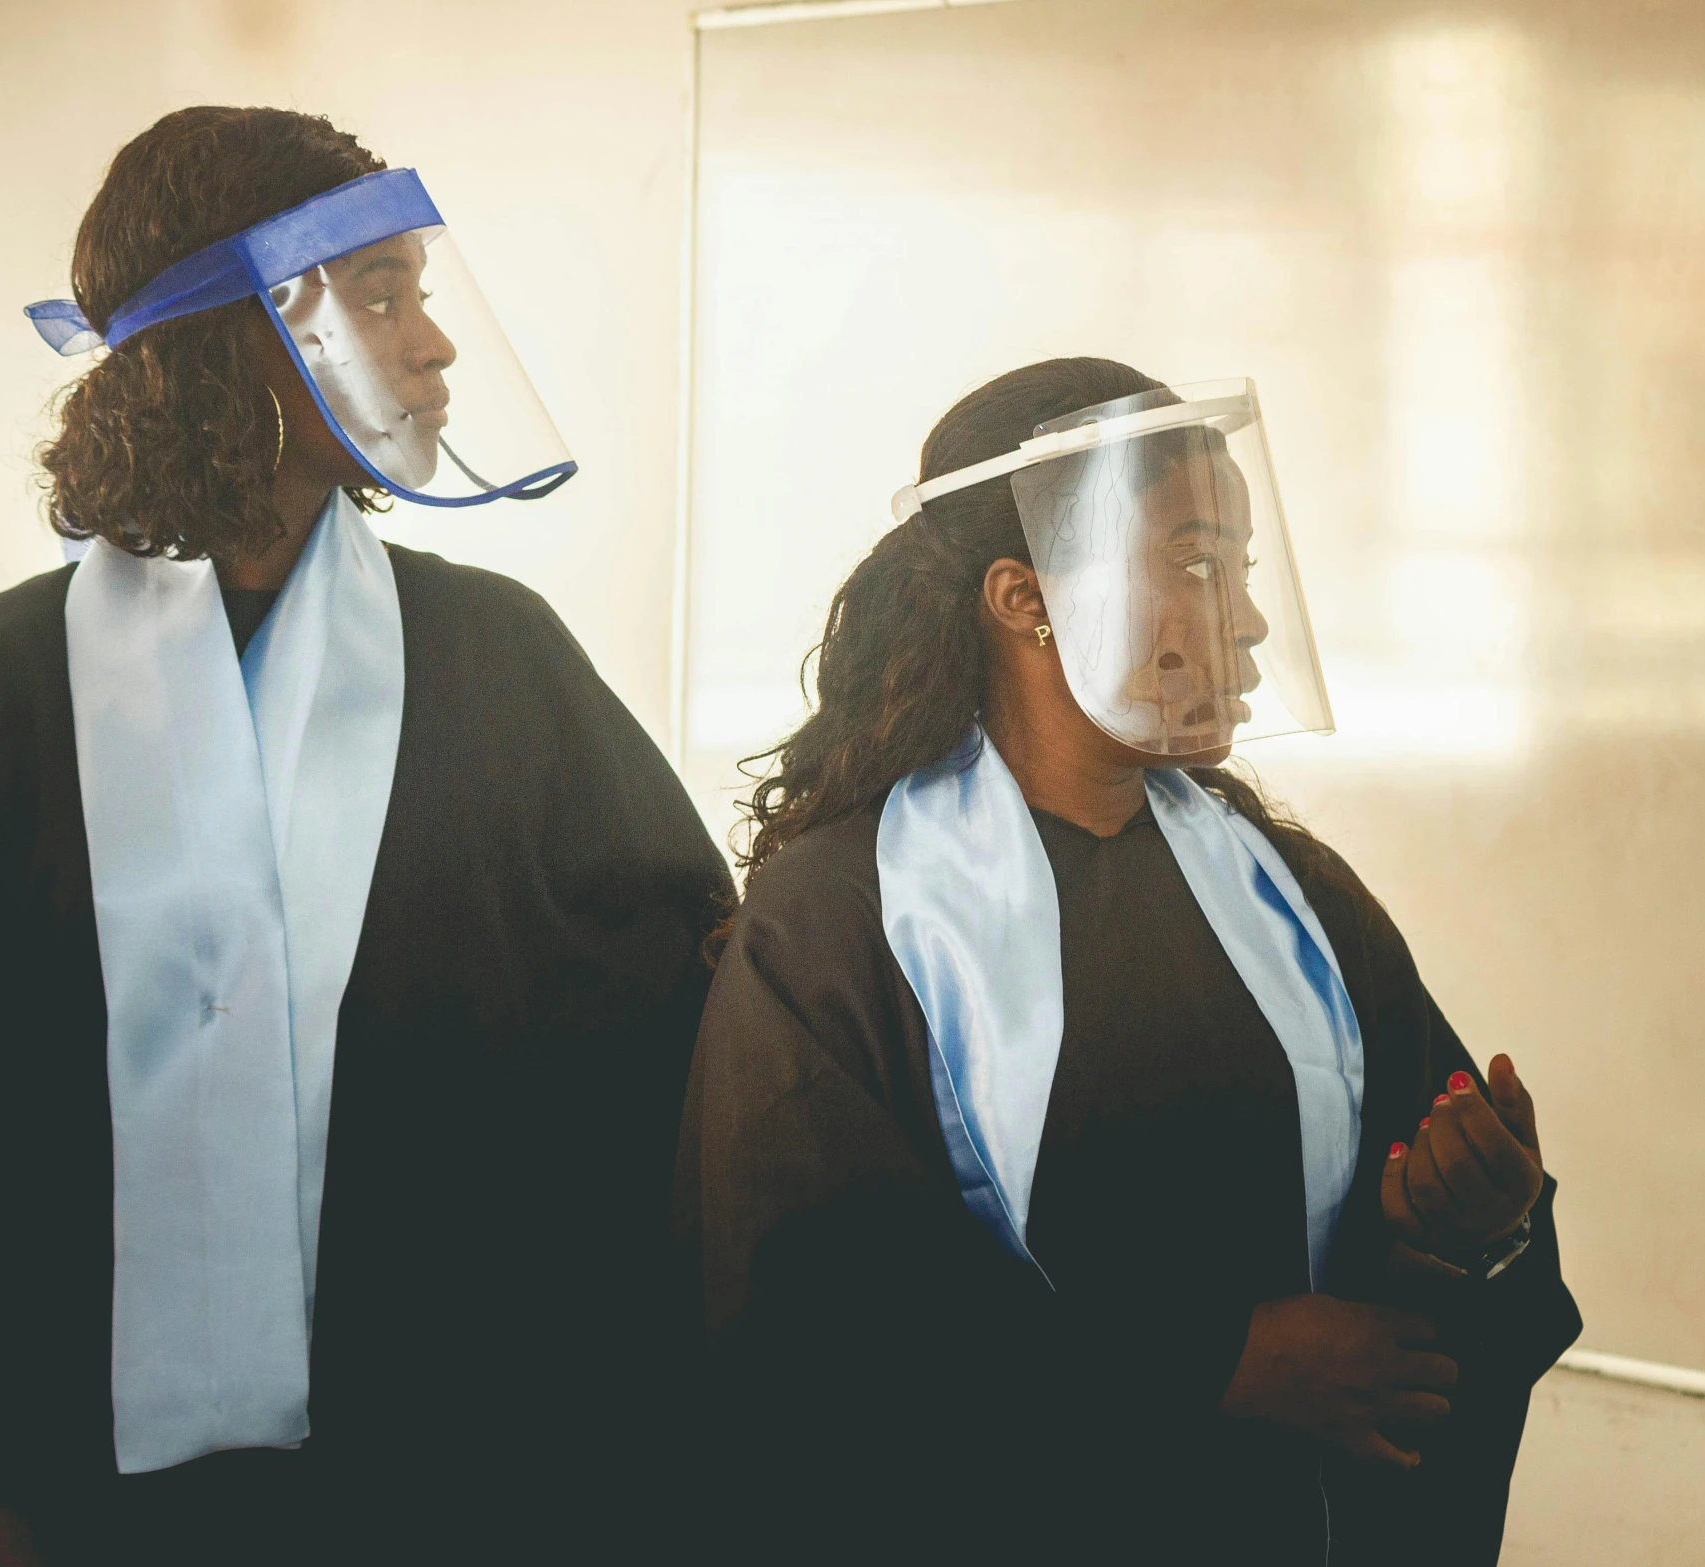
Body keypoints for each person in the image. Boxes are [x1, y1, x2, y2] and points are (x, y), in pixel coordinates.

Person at [0, 107, 729, 1566]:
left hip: (429, 1471)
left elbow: (674, 1034)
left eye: (419, 290)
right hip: (53, 1487)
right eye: (378, 292)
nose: (434, 343)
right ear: (229, 334)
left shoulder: (497, 657)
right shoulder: (5, 680)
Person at [675, 357, 1581, 1562]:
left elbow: (1417, 1321)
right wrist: (1210, 1366)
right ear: (1024, 595)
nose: (1247, 617)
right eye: (1199, 564)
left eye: (1242, 571)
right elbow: (810, 1317)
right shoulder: (843, 920)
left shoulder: (1292, 899)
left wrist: (1481, 1233)